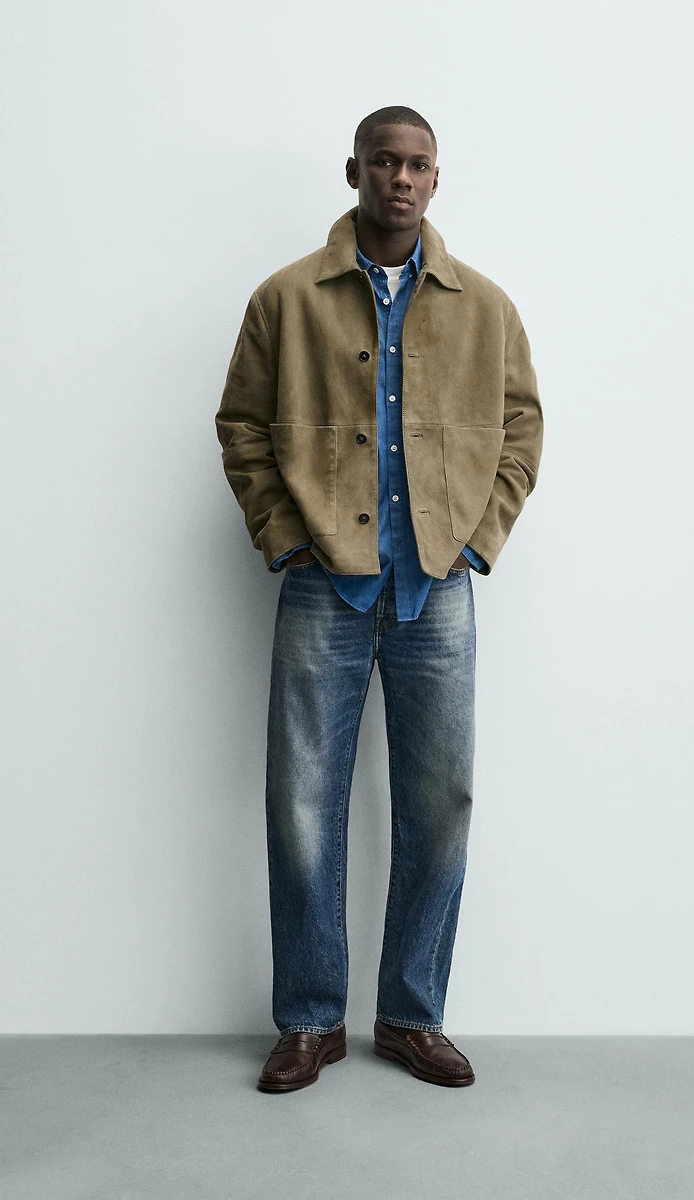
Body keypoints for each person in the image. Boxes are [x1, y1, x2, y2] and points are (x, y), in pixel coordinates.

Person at [215, 105, 544, 1091]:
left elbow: (521, 427)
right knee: (301, 803)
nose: (400, 178)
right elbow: (241, 423)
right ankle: (309, 1021)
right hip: (324, 583)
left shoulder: (485, 307)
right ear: (353, 169)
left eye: (417, 164)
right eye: (384, 161)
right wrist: (284, 536)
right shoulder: (285, 299)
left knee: (440, 804)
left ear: (436, 179)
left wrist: (477, 540)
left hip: (435, 588)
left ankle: (409, 1016)